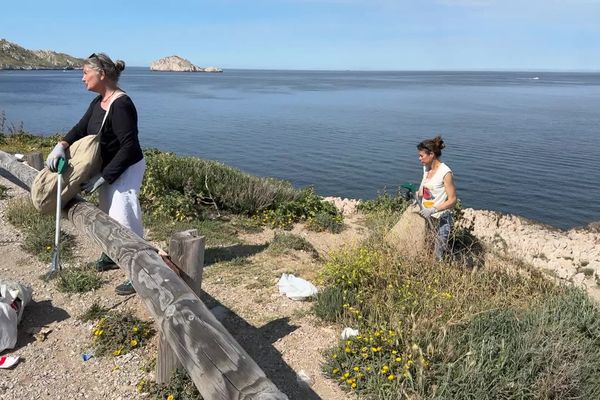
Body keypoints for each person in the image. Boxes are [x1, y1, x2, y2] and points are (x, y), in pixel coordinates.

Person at [46, 52, 144, 295]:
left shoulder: (121, 105)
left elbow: (129, 148)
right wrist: (61, 145)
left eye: (85, 72)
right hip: (109, 167)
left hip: (126, 168)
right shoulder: (99, 102)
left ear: (101, 74)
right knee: (108, 214)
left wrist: (104, 177)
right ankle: (113, 255)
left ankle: (140, 270)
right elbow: (80, 128)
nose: (82, 78)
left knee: (125, 216)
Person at [416, 135, 457, 261]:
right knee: (425, 247)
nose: (419, 158)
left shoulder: (445, 172)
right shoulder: (426, 168)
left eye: (422, 156)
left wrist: (433, 210)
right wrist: (418, 196)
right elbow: (424, 189)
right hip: (426, 217)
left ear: (431, 154)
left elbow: (452, 200)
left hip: (441, 219)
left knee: (438, 254)